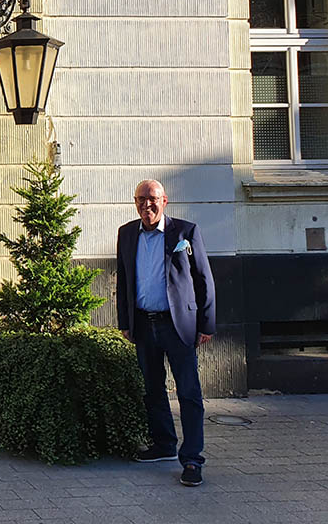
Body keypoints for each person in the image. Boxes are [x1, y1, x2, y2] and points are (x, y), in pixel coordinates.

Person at [116, 179, 215, 487]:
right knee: (153, 389)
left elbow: (203, 279)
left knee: (188, 393)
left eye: (153, 199)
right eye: (141, 199)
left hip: (178, 326)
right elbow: (124, 281)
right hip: (144, 324)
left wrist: (206, 324)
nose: (147, 205)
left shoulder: (185, 232)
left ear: (165, 201)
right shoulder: (127, 233)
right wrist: (125, 321)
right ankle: (164, 445)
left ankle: (192, 459)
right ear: (135, 203)